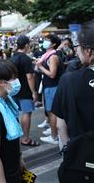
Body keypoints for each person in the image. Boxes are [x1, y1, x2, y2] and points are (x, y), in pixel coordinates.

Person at [52, 20, 94, 151]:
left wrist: (66, 152)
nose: (76, 52)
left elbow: (61, 125)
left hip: (83, 159)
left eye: (78, 46)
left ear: (88, 51)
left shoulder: (68, 80)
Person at [10, 36, 39, 147]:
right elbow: (30, 77)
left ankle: (15, 137)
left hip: (13, 90)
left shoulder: (13, 58)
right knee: (27, 113)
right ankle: (26, 138)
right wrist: (34, 92)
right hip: (25, 91)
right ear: (26, 45)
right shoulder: (25, 59)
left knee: (14, 114)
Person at [36, 34, 62, 145]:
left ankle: (54, 136)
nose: (44, 42)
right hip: (49, 86)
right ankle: (53, 132)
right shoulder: (47, 55)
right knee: (50, 111)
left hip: (52, 87)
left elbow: (52, 74)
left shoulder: (53, 57)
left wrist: (40, 66)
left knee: (52, 112)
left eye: (47, 40)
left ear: (54, 44)